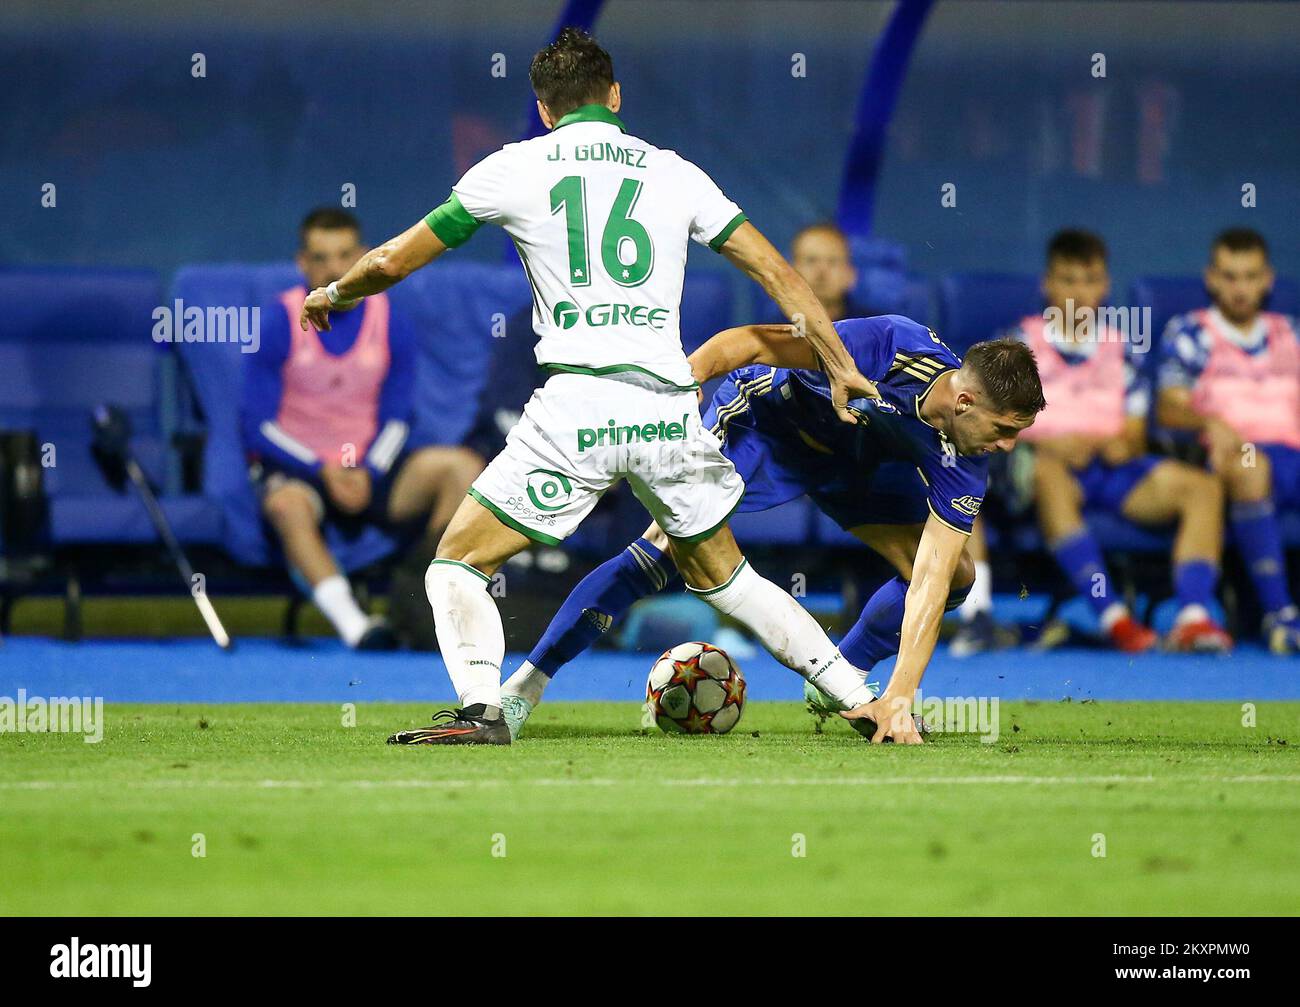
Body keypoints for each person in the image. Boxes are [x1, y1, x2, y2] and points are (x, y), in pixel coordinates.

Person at [298, 29, 885, 743]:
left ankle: (484, 710)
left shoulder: (511, 168)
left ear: (544, 110)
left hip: (576, 408)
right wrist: (838, 363)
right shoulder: (674, 172)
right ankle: (863, 699)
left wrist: (335, 292)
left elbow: (390, 261)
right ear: (614, 97)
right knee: (730, 579)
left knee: (457, 560)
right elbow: (777, 274)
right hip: (668, 410)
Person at [499, 317, 1044, 740]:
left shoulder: (967, 461)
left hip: (850, 464)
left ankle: (844, 677)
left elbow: (930, 577)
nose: (1006, 447)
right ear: (966, 401)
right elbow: (752, 341)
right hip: (763, 427)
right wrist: (682, 384)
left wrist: (901, 695)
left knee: (956, 578)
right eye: (1004, 430)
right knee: (662, 552)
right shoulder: (887, 346)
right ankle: (527, 686)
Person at [241, 208, 482, 649]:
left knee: (461, 468)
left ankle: (421, 603)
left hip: (371, 469)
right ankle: (357, 627)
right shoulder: (279, 321)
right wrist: (322, 470)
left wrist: (367, 471)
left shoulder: (390, 320)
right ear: (302, 264)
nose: (333, 268)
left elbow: (397, 418)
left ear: (365, 257)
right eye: (320, 257)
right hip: (302, 474)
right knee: (286, 506)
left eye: (344, 255)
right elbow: (257, 428)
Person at [1007, 229, 1231, 652]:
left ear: (1105, 286)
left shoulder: (1122, 346)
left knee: (1203, 489)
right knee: (1046, 474)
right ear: (1047, 284)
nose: (1079, 292)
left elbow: (1133, 432)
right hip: (1051, 469)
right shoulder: (1020, 345)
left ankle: (1193, 619)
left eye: (1089, 280)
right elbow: (1001, 420)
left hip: (1113, 470)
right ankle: (1115, 619)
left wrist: (1119, 444)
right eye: (1068, 280)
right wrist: (1045, 441)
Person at [1157, 228, 1300, 654]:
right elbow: (1168, 407)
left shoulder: (1290, 334)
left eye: (1250, 276)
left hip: (1292, 455)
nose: (1240, 288)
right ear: (1212, 279)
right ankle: (1280, 615)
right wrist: (1210, 419)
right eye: (1230, 276)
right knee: (1247, 466)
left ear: (1267, 280)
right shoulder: (1189, 333)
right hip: (1240, 459)